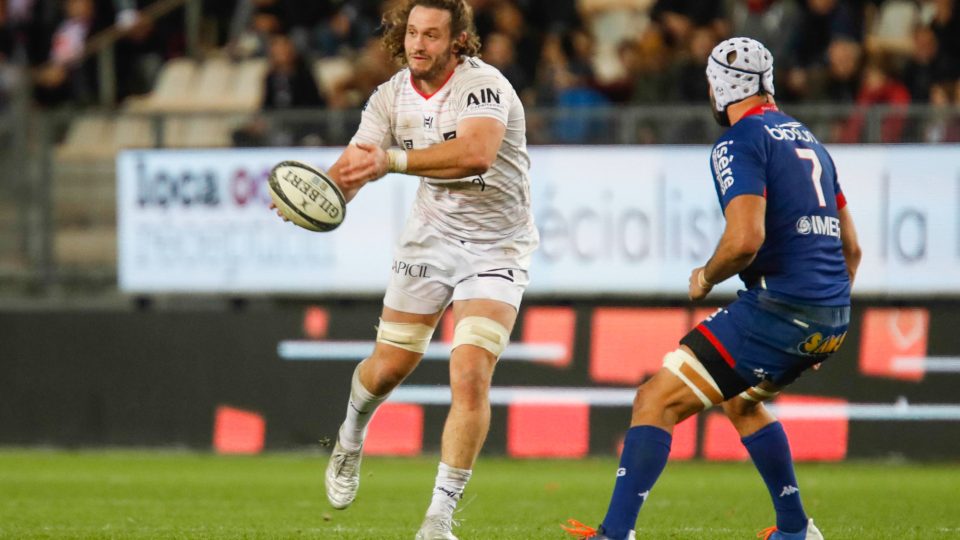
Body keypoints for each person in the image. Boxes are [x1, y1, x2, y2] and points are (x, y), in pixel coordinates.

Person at [564, 37, 861, 540]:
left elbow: (745, 239)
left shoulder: (740, 140)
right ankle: (795, 529)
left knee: (654, 400)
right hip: (831, 312)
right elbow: (850, 248)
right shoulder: (810, 140)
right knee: (742, 402)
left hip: (781, 308)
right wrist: (826, 315)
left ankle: (615, 534)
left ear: (721, 85)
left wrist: (705, 276)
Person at [271, 1, 537, 538]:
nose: (419, 44)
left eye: (433, 35)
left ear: (458, 41)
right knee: (390, 367)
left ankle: (439, 517)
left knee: (469, 374)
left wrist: (392, 161)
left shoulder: (484, 86)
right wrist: (317, 192)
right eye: (413, 32)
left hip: (497, 249)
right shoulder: (389, 97)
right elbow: (356, 163)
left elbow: (477, 153)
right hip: (430, 241)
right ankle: (350, 437)